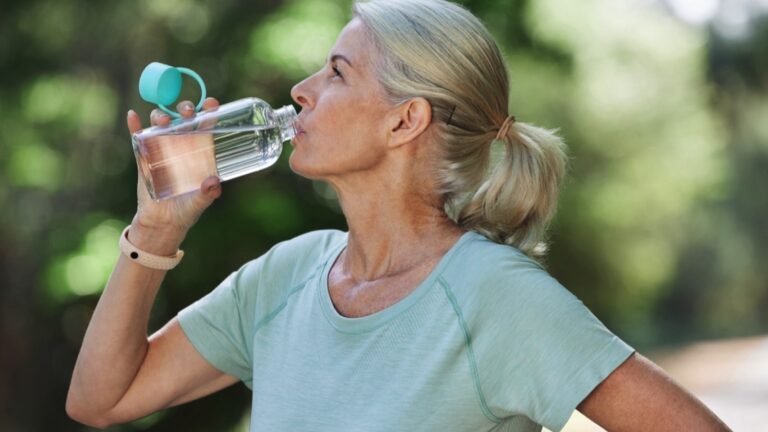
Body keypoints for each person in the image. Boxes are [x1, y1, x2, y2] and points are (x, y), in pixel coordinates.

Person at [66, 0, 732, 431]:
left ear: (405, 120)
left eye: (337, 72)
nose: (300, 91)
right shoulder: (287, 276)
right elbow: (100, 400)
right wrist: (154, 232)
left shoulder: (495, 299)